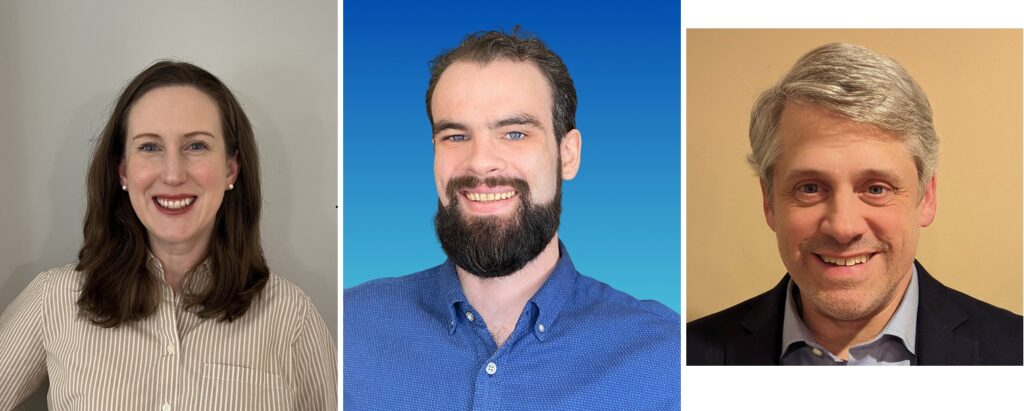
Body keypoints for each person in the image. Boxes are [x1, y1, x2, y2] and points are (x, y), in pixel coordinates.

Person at [344, 29, 680, 409]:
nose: (480, 162)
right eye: (455, 136)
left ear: (567, 155)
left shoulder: (663, 354)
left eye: (514, 133)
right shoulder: (351, 327)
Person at [0, 61, 336, 409]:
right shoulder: (53, 301)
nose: (173, 174)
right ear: (123, 171)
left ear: (231, 169)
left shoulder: (291, 317)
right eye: (149, 147)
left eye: (196, 146)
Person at [687, 42, 1023, 366]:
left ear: (927, 197)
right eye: (810, 188)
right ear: (769, 201)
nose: (844, 227)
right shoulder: (687, 358)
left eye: (876, 189)